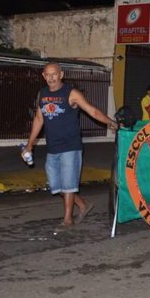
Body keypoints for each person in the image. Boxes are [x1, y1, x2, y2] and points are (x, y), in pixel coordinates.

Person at [23, 63, 117, 231]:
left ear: (61, 75)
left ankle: (67, 219)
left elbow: (92, 111)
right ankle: (84, 205)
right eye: (47, 74)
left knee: (69, 185)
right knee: (56, 186)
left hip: (70, 146)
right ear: (43, 76)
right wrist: (29, 144)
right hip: (52, 148)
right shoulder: (42, 94)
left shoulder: (71, 93)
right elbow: (39, 119)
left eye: (54, 74)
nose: (51, 77)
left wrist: (110, 122)